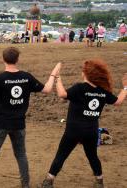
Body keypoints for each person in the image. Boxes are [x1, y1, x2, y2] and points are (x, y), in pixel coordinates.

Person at [0, 47, 61, 188]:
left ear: (3, 59)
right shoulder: (26, 77)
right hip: (18, 124)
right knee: (21, 155)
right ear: (18, 59)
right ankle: (25, 184)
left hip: (0, 124)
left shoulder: (0, 78)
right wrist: (53, 75)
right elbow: (47, 89)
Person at [40, 60, 127, 188]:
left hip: (73, 130)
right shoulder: (102, 91)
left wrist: (58, 78)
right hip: (91, 131)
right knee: (92, 156)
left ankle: (49, 181)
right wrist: (125, 87)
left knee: (62, 154)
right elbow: (118, 101)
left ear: (86, 74)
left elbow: (62, 94)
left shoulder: (79, 88)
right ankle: (99, 181)